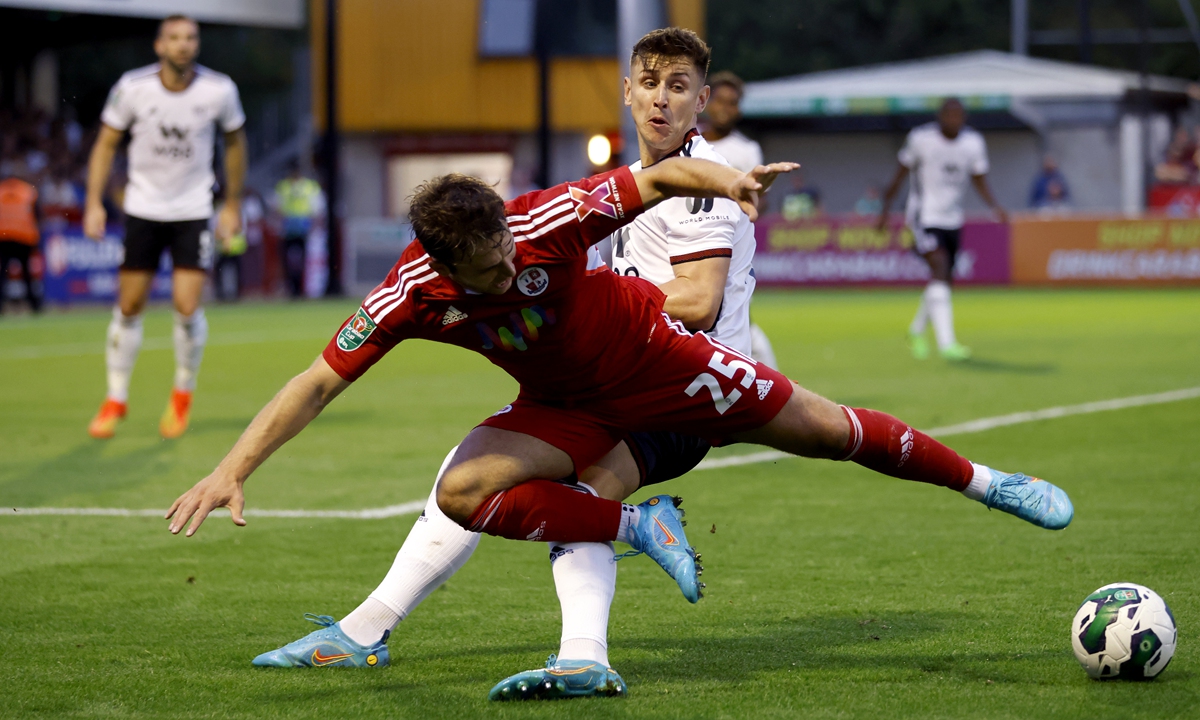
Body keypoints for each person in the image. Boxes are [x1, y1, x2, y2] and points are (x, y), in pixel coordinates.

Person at [167, 130, 1073, 698]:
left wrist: (729, 182)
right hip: (562, 404)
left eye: (507, 248)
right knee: (464, 489)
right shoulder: (413, 291)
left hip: (662, 364)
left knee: (831, 433)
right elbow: (316, 381)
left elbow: (659, 173)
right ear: (444, 261)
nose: (507, 268)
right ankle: (632, 535)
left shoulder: (548, 219)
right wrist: (232, 467)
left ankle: (991, 482)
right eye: (486, 266)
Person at [242, 28, 768, 697]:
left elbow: (696, 302)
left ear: (702, 101)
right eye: (651, 84)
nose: (661, 101)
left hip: (682, 389)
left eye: (679, 87)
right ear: (627, 90)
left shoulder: (701, 187)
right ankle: (364, 631)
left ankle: (583, 656)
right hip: (610, 375)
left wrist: (592, 310)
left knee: (586, 492)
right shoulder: (620, 185)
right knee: (465, 475)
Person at [83, 15, 246, 440]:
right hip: (142, 208)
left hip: (193, 210)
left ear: (197, 45)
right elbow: (105, 144)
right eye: (174, 38)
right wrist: (93, 204)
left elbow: (234, 144)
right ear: (159, 45)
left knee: (186, 305)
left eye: (190, 37)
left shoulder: (219, 90)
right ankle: (115, 398)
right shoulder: (132, 88)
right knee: (130, 305)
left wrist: (231, 204)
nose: (183, 45)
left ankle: (181, 394)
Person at [878, 99, 1007, 362]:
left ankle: (915, 330)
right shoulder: (921, 138)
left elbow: (979, 178)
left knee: (943, 280)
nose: (953, 120)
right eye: (948, 115)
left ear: (964, 117)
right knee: (939, 267)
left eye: (957, 115)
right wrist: (885, 211)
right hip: (923, 216)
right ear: (940, 116)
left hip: (952, 219)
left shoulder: (973, 143)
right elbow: (900, 174)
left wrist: (995, 207)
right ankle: (947, 343)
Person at [700, 69, 777, 369]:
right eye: (720, 100)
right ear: (705, 102)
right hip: (691, 239)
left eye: (732, 103)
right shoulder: (689, 144)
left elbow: (761, 195)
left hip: (730, 243)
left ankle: (772, 384)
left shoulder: (746, 150)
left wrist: (744, 212)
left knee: (736, 311)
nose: (725, 108)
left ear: (739, 110)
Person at [273, 162, 324, 298]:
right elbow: (277, 208)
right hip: (288, 228)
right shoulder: (284, 187)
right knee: (288, 262)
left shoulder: (308, 187)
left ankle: (300, 288)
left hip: (303, 228)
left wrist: (314, 226)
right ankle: (291, 288)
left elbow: (316, 209)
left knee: (302, 261)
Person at [0, 170, 44, 314]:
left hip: (4, 238)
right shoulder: (28, 191)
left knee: (2, 274)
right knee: (27, 274)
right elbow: (37, 216)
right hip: (24, 238)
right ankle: (35, 306)